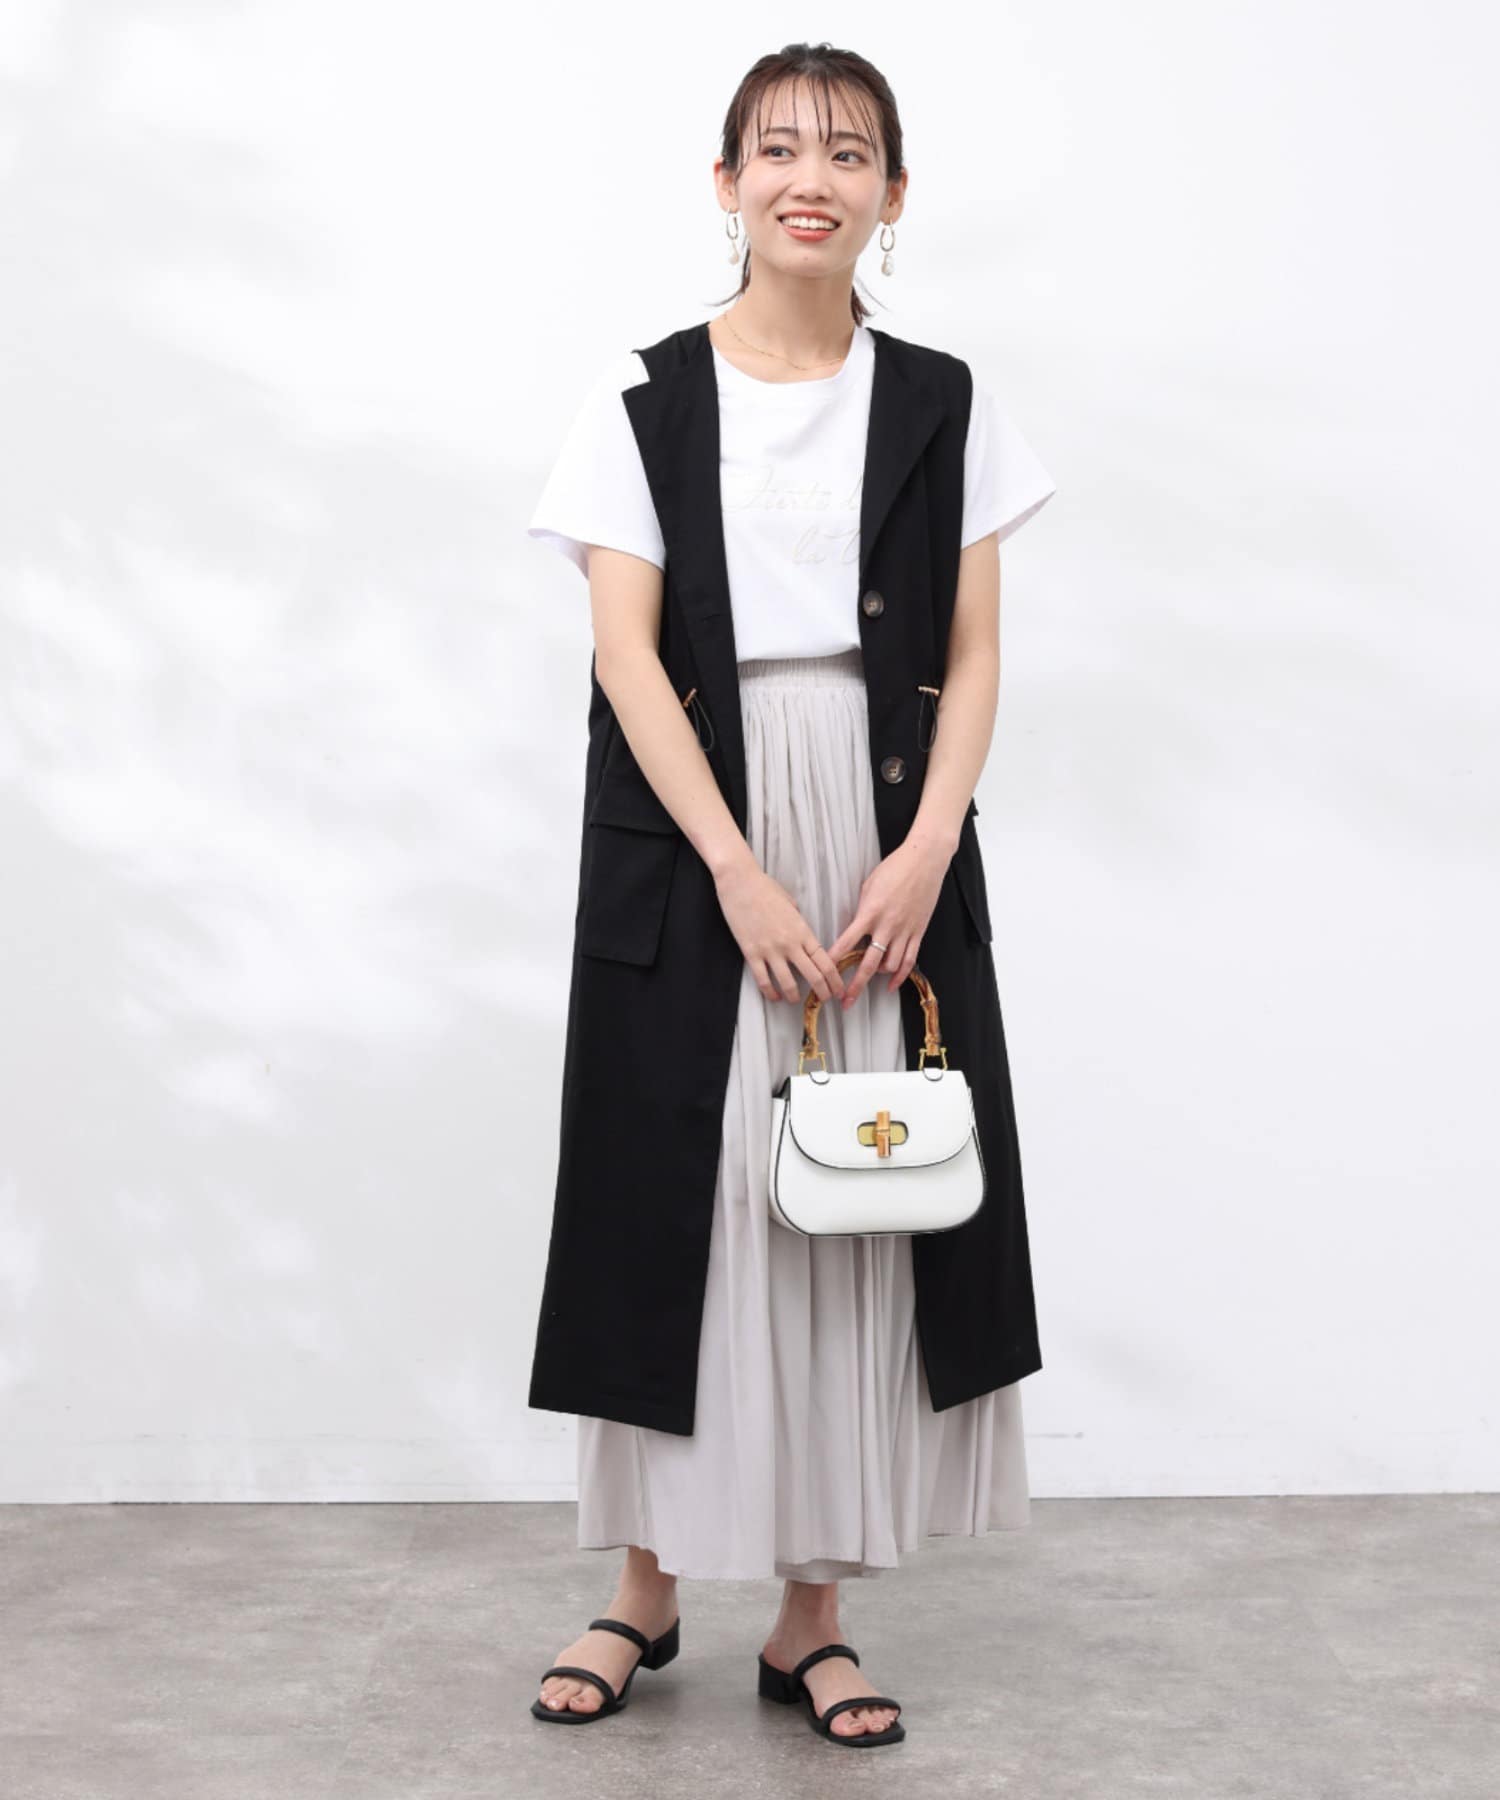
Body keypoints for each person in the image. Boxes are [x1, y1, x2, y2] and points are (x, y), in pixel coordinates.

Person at [523, 43, 1056, 1748]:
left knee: (855, 1200)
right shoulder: (641, 401)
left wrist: (928, 846)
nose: (808, 178)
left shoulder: (946, 401)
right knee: (680, 1203)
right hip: (703, 825)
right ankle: (645, 1589)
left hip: (884, 826)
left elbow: (974, 653)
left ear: (892, 194)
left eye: (846, 151)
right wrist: (738, 867)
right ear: (726, 182)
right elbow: (625, 655)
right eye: (776, 148)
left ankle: (811, 1619)